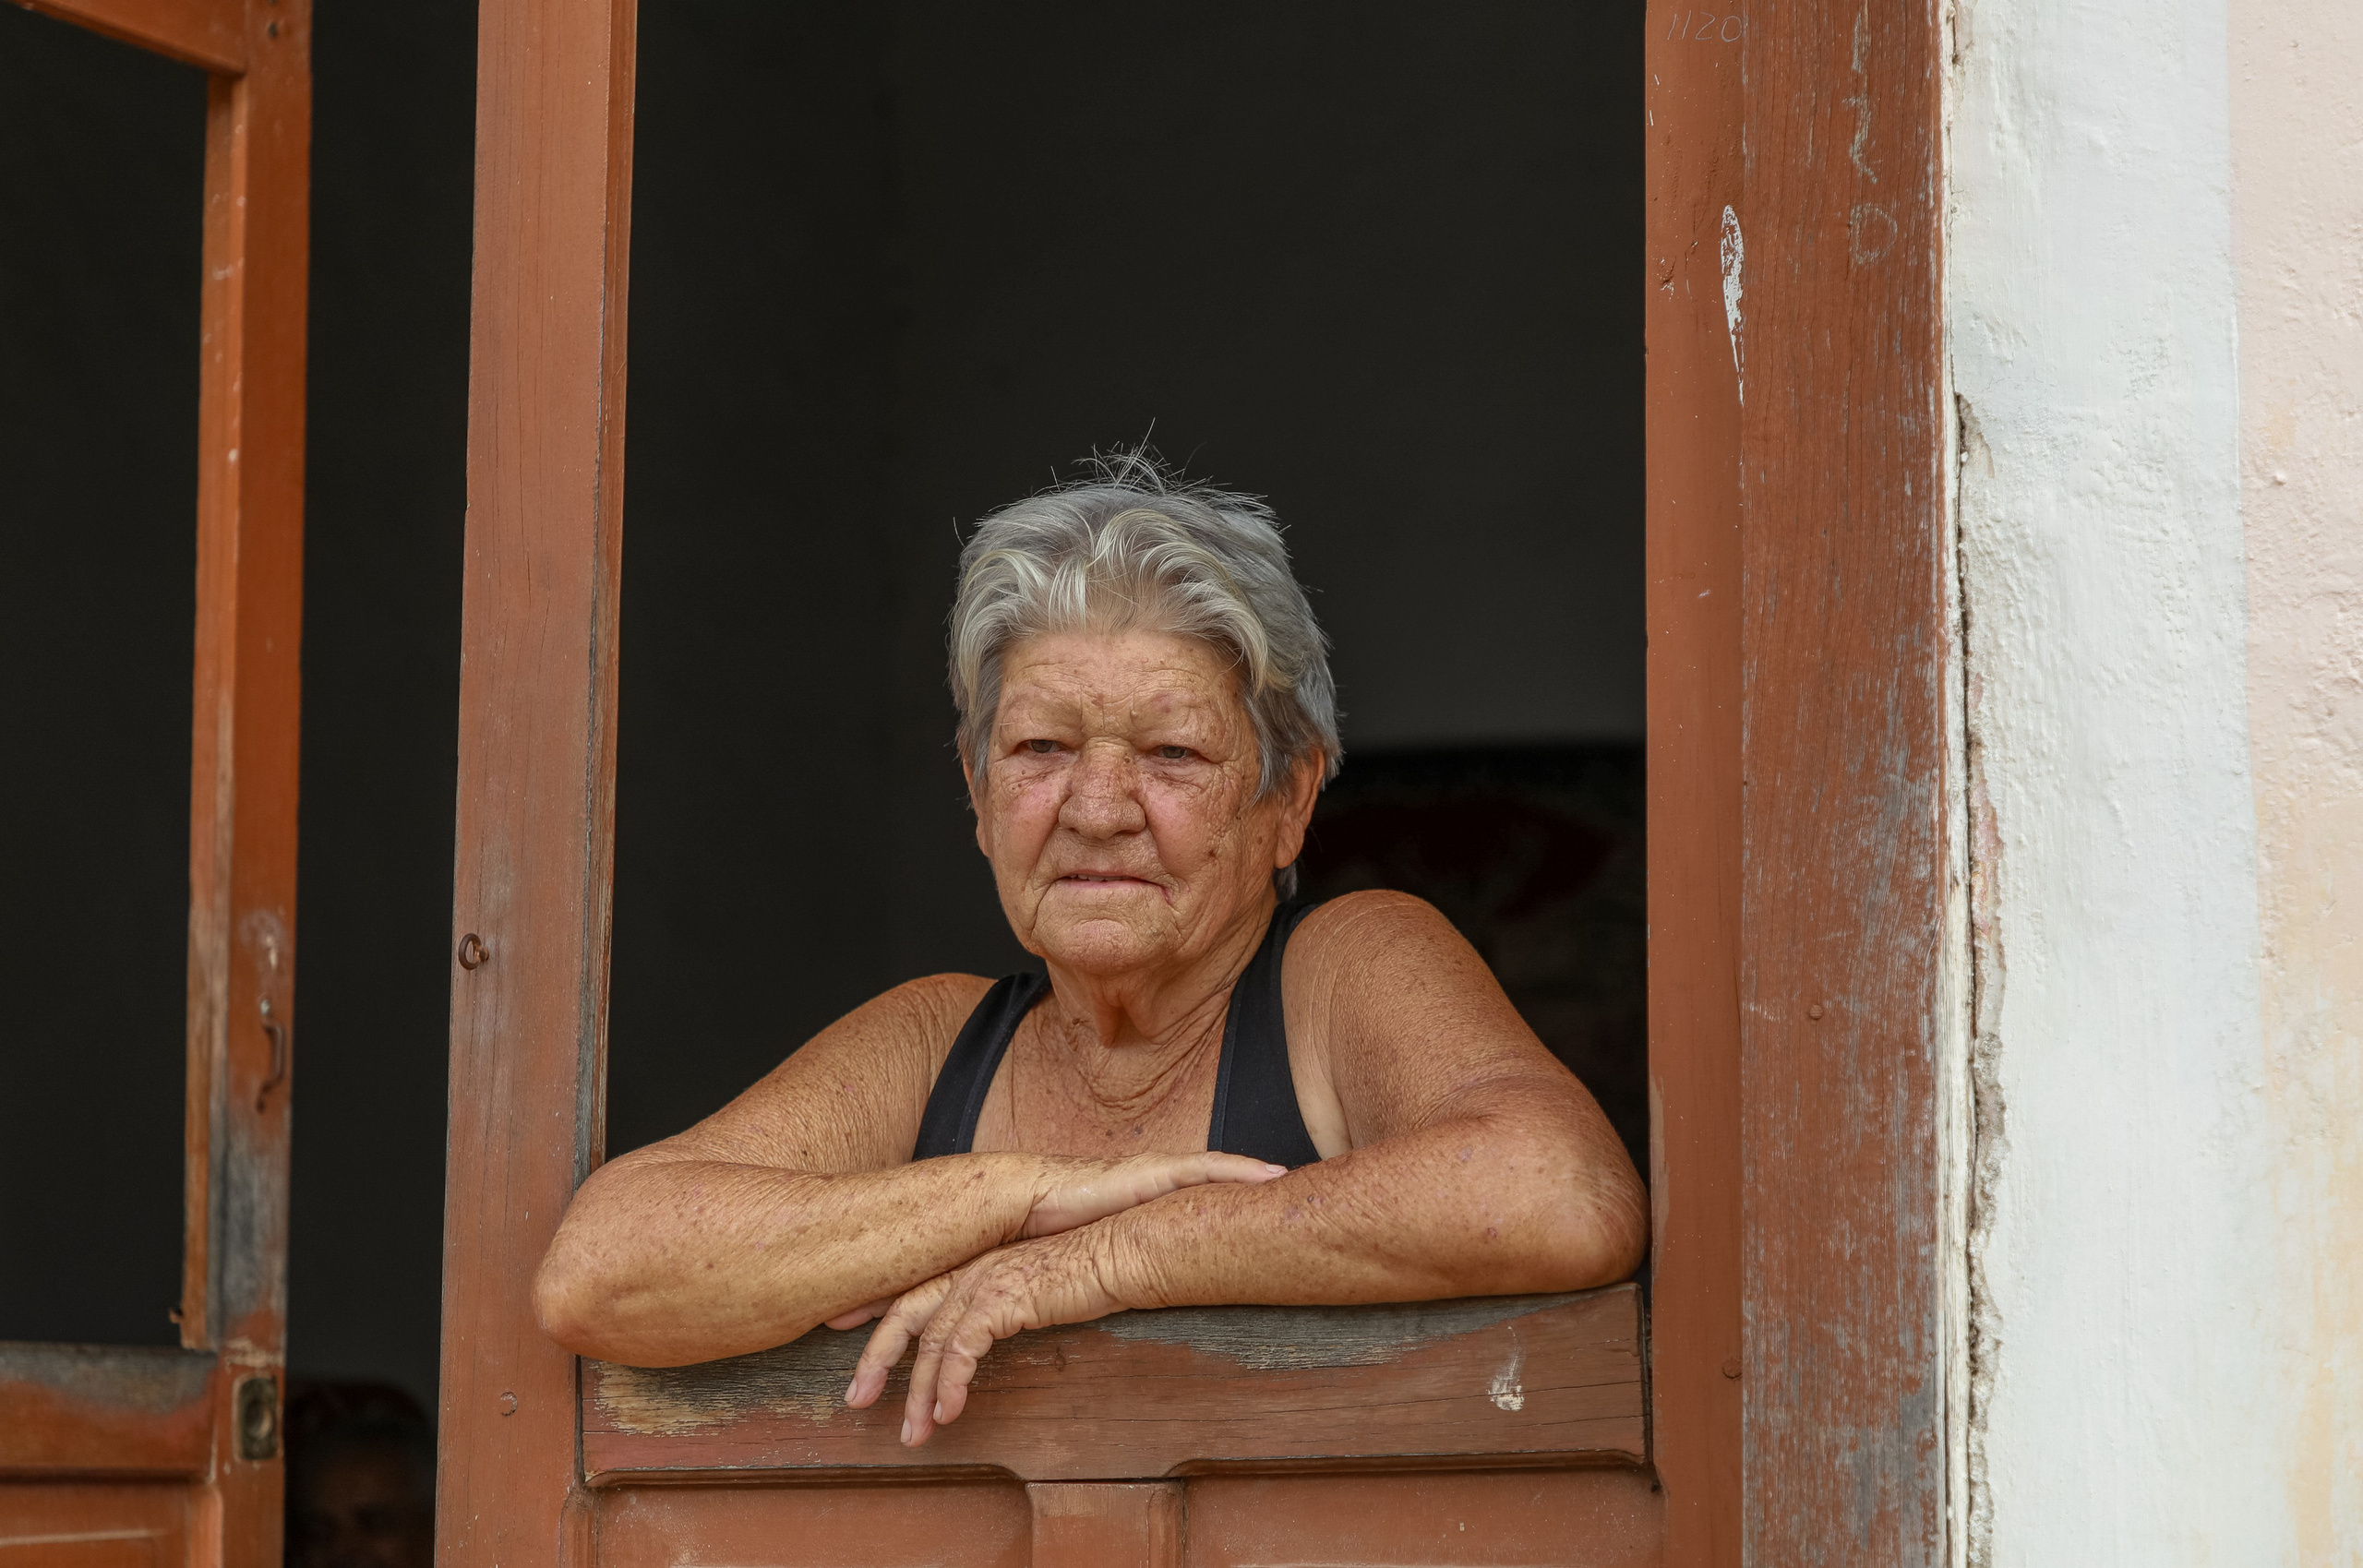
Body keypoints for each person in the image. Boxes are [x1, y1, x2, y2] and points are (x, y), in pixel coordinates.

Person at [534, 454, 1648, 1447]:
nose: (1098, 806)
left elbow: (1560, 1192)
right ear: (976, 792)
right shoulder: (934, 1040)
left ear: (1289, 799)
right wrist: (1025, 1195)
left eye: (1170, 751)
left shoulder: (1345, 967)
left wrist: (1106, 1257)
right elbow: (603, 1272)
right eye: (1040, 748)